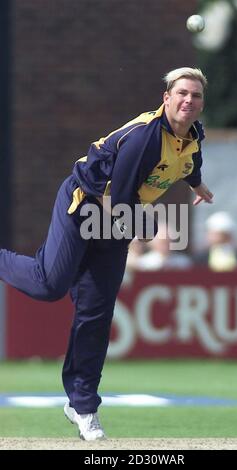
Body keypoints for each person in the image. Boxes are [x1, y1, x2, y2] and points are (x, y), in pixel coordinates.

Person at [0, 67, 213, 440]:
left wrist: (198, 184)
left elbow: (190, 163)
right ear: (166, 98)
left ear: (200, 104)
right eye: (181, 93)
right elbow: (121, 199)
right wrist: (148, 232)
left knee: (96, 313)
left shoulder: (194, 134)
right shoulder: (145, 138)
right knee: (49, 285)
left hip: (116, 217)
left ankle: (82, 407)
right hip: (86, 205)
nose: (188, 101)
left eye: (195, 96)